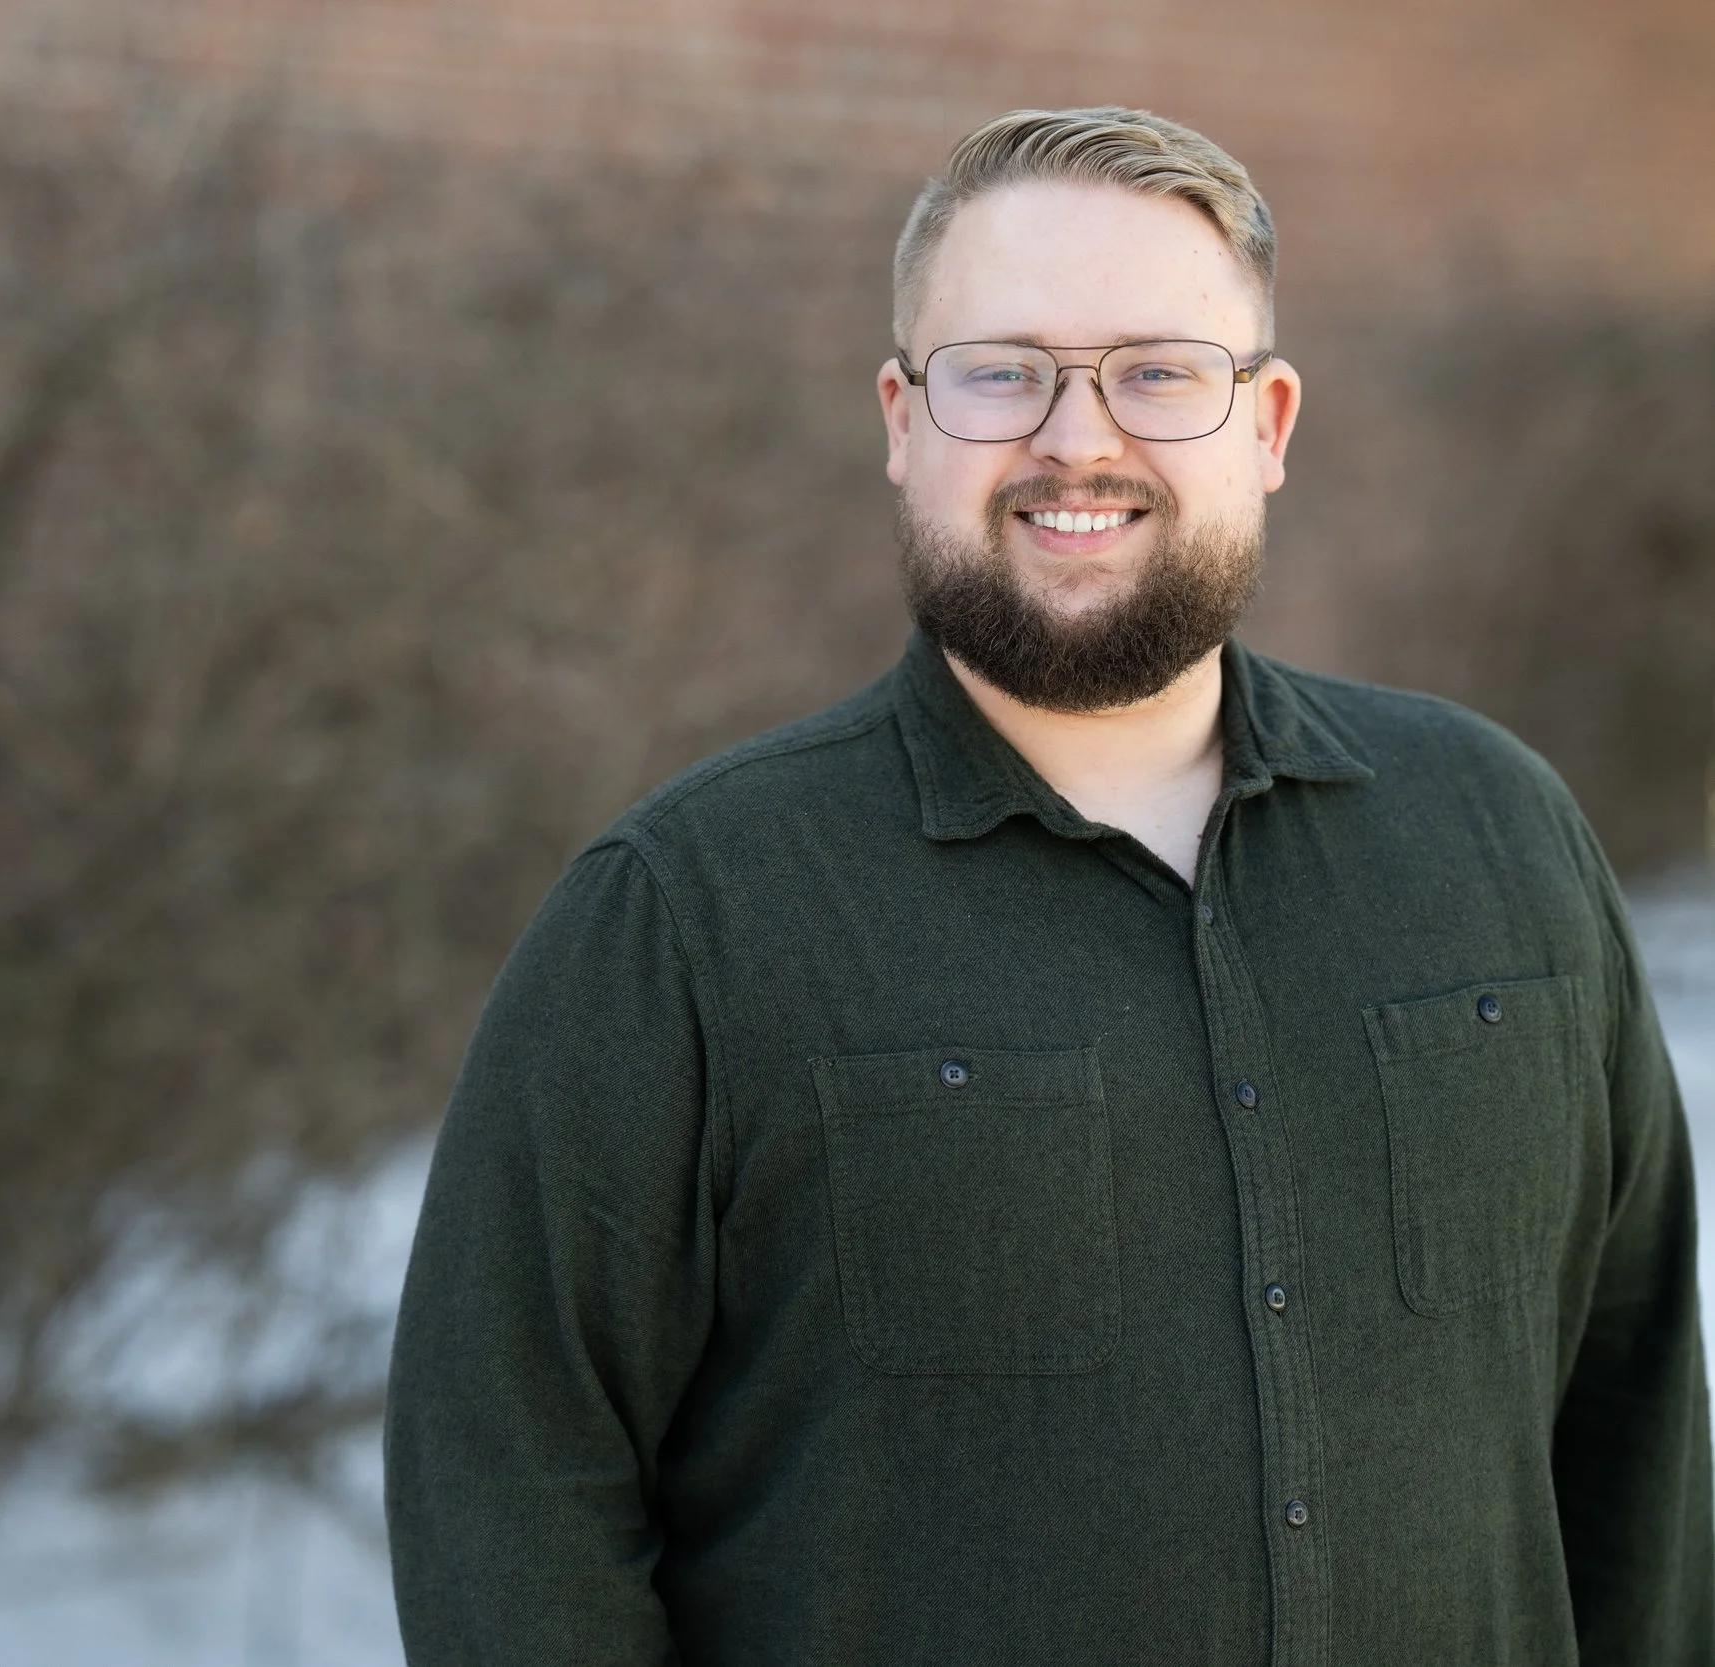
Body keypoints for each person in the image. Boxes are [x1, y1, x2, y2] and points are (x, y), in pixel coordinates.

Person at [382, 107, 1712, 1664]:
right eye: (1003, 369)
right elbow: (509, 1488)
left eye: (1159, 371)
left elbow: (1637, 1440)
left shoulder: (1499, 836)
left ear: (1269, 423)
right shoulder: (684, 915)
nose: (1080, 439)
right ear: (901, 418)